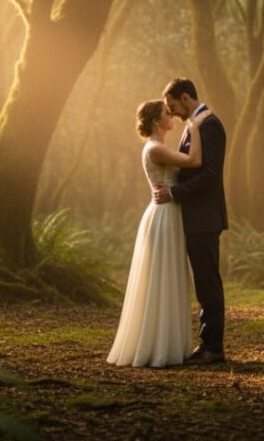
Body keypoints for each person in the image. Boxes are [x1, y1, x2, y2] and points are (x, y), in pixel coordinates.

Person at [107, 99, 210, 367]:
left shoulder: (159, 147)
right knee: (161, 278)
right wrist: (195, 125)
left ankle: (168, 344)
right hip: (164, 216)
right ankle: (158, 346)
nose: (172, 116)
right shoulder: (154, 149)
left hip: (169, 213)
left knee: (169, 276)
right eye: (167, 113)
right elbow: (195, 160)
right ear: (156, 121)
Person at [154, 77, 228, 365]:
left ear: (185, 98)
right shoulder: (195, 125)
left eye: (172, 105)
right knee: (203, 281)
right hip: (196, 217)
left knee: (208, 282)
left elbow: (210, 174)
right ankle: (207, 344)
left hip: (205, 217)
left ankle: (213, 348)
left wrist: (174, 192)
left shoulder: (209, 124)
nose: (170, 112)